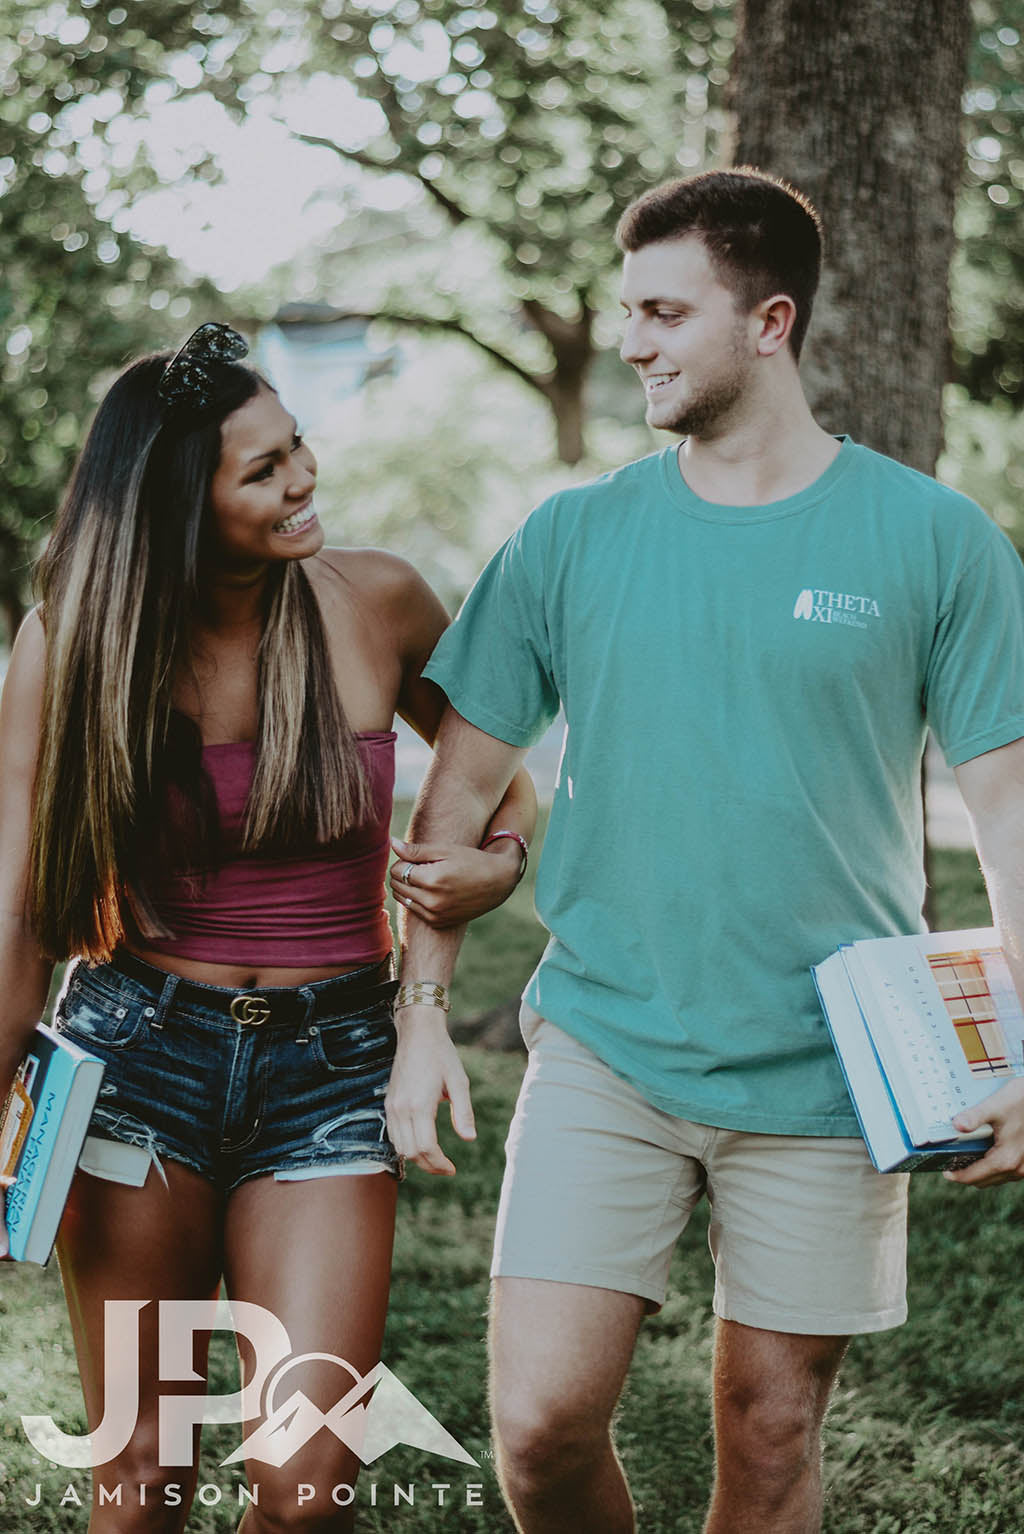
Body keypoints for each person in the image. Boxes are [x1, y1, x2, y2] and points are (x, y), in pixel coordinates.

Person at [385, 168, 1024, 1533]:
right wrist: (424, 1010)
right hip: (607, 1043)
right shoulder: (573, 536)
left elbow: (1012, 807)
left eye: (666, 312)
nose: (632, 342)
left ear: (771, 320)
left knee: (771, 1435)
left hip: (831, 1066)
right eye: (628, 311)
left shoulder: (934, 537)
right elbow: (453, 805)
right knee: (543, 1426)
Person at [0, 321, 535, 1532]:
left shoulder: (378, 600)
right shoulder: (72, 639)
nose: (304, 481)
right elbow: (21, 907)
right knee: (140, 1479)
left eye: (297, 447)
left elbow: (502, 781)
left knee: (306, 1487)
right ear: (180, 506)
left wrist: (495, 869)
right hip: (137, 1058)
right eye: (262, 469)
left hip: (332, 1065)